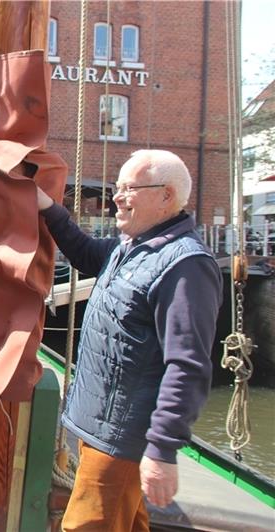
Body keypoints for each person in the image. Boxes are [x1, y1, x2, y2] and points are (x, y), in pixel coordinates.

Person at [36, 150, 222, 531]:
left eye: (129, 189)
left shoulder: (184, 265)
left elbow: (186, 366)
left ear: (167, 195)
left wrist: (162, 449)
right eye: (118, 188)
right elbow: (86, 252)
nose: (116, 198)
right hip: (99, 430)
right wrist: (47, 207)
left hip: (120, 439)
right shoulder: (132, 247)